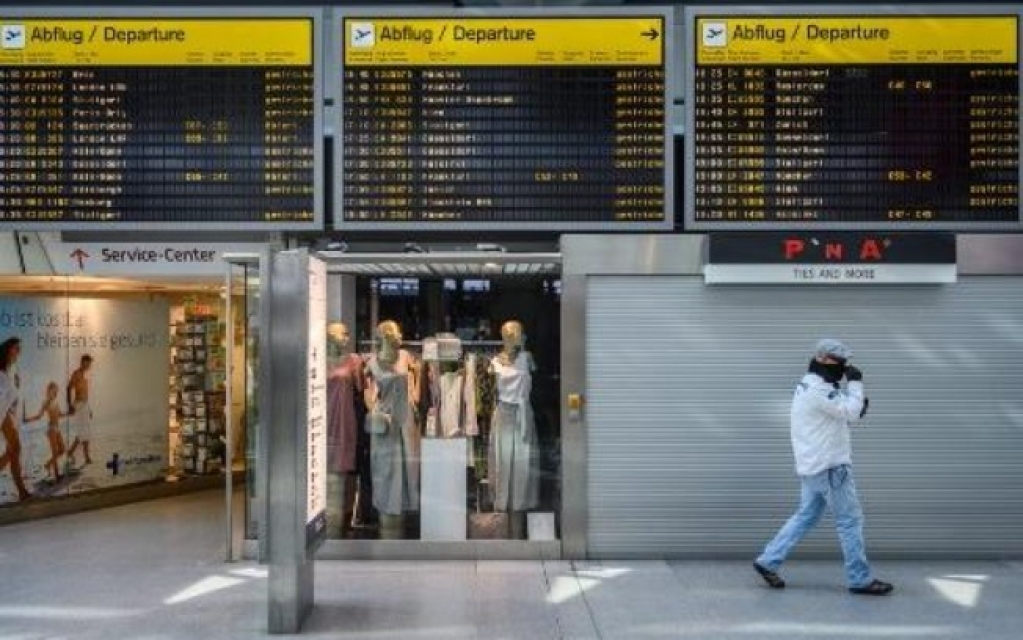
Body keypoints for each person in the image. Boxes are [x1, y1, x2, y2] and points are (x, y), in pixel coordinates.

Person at [753, 339, 893, 596]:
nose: (845, 367)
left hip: (812, 467)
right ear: (826, 360)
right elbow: (849, 412)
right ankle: (859, 580)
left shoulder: (807, 384)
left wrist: (853, 405)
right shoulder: (820, 390)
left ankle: (767, 560)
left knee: (805, 516)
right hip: (830, 468)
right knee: (850, 521)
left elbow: (839, 415)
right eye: (841, 363)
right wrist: (856, 384)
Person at [0, 337, 32, 501]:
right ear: (7, 350)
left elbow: (11, 397)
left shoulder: (11, 370)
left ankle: (22, 492)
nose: (19, 353)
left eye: (20, 349)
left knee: (14, 449)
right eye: (16, 349)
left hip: (5, 415)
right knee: (14, 449)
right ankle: (22, 492)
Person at [25, 382, 68, 482]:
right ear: (49, 390)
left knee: (62, 450)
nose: (56, 391)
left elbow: (60, 414)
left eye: (56, 390)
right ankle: (57, 476)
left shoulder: (56, 401)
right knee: (54, 452)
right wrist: (28, 419)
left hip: (57, 428)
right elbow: (39, 416)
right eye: (54, 389)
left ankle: (48, 465)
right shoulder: (46, 402)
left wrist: (69, 413)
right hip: (51, 429)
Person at [66, 355, 94, 466]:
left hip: (85, 405)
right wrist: (70, 406)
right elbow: (68, 388)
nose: (89, 366)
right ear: (83, 362)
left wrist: (89, 409)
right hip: (79, 405)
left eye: (90, 364)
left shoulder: (85, 376)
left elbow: (85, 394)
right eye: (87, 363)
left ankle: (83, 456)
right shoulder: (76, 374)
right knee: (83, 432)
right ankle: (73, 453)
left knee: (86, 432)